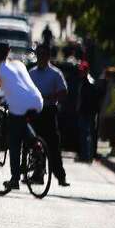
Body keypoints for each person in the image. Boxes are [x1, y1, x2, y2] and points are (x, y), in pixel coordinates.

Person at [0, 42, 44, 192]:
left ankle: (14, 179)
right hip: (37, 100)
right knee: (22, 125)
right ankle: (36, 145)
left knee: (14, 143)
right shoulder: (19, 64)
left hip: (19, 104)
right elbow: (16, 87)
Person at [28, 46, 69, 187]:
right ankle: (37, 173)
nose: (41, 58)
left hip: (49, 111)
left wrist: (50, 96)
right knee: (34, 144)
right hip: (34, 112)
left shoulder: (55, 74)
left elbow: (63, 92)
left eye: (43, 55)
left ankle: (60, 176)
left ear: (48, 57)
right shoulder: (31, 73)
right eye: (39, 55)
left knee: (53, 146)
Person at [76, 63, 101, 163]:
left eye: (83, 70)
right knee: (85, 134)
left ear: (86, 71)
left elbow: (92, 99)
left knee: (86, 134)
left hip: (88, 112)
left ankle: (87, 156)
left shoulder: (90, 82)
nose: (81, 72)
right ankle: (85, 155)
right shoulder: (83, 82)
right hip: (85, 111)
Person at [99, 67, 115, 159]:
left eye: (109, 76)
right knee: (111, 132)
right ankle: (113, 150)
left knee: (112, 132)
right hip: (111, 113)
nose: (107, 77)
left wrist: (107, 111)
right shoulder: (112, 85)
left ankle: (113, 151)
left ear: (113, 77)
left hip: (112, 114)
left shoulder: (114, 87)